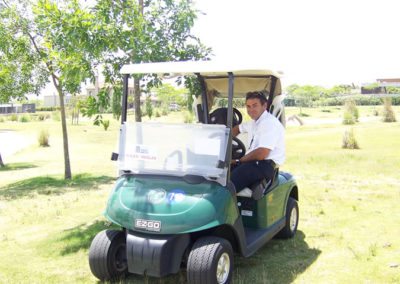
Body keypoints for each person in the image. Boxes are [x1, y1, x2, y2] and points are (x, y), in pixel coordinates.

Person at [231, 91, 285, 199]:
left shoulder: (269, 123)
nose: (251, 110)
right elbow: (237, 129)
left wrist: (239, 161)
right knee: (220, 174)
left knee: (227, 185)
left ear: (264, 106)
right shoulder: (254, 122)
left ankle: (219, 213)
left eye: (255, 106)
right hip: (254, 163)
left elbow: (262, 153)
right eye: (248, 106)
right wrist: (223, 139)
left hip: (264, 165)